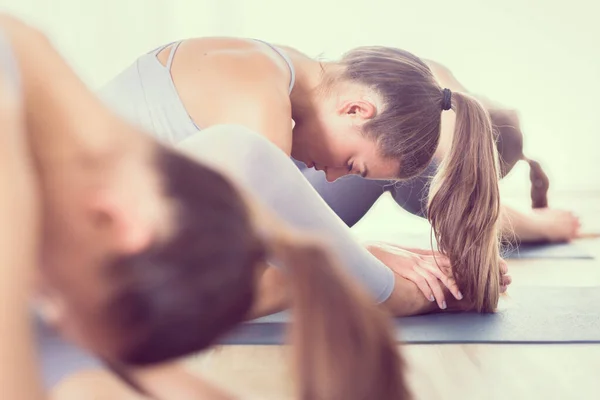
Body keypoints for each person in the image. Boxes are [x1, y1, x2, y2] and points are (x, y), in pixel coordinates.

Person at [0, 14, 409, 400]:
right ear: (117, 222)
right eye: (58, 301)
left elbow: (97, 356)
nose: (49, 309)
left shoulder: (42, 83)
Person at [100, 37, 511, 313]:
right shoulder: (259, 109)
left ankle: (416, 287)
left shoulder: (272, 70)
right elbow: (227, 290)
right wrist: (371, 264)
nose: (333, 176)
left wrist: (368, 252)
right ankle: (420, 294)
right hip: (90, 258)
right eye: (351, 164)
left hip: (126, 231)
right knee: (293, 278)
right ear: (356, 109)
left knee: (315, 267)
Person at [292, 57, 581, 244]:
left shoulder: (427, 87)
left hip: (281, 185)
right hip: (278, 181)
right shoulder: (432, 92)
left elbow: (467, 205)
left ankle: (539, 225)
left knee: (404, 170)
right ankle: (540, 226)